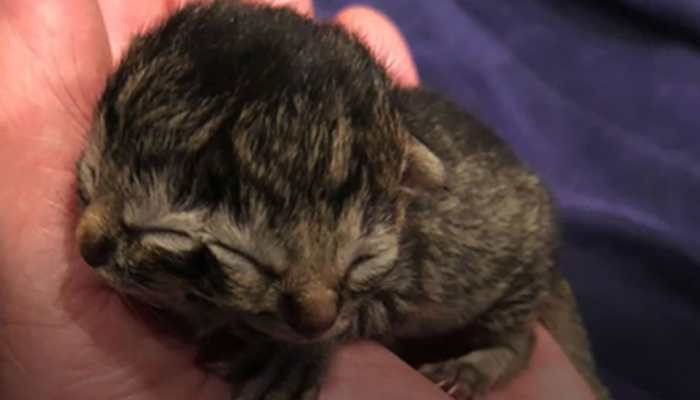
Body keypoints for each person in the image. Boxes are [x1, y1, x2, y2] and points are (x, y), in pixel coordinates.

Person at [0, 0, 595, 398]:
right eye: (96, 165)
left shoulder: (382, 210)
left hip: (503, 271)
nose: (318, 317)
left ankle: (505, 348)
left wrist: (307, 348)